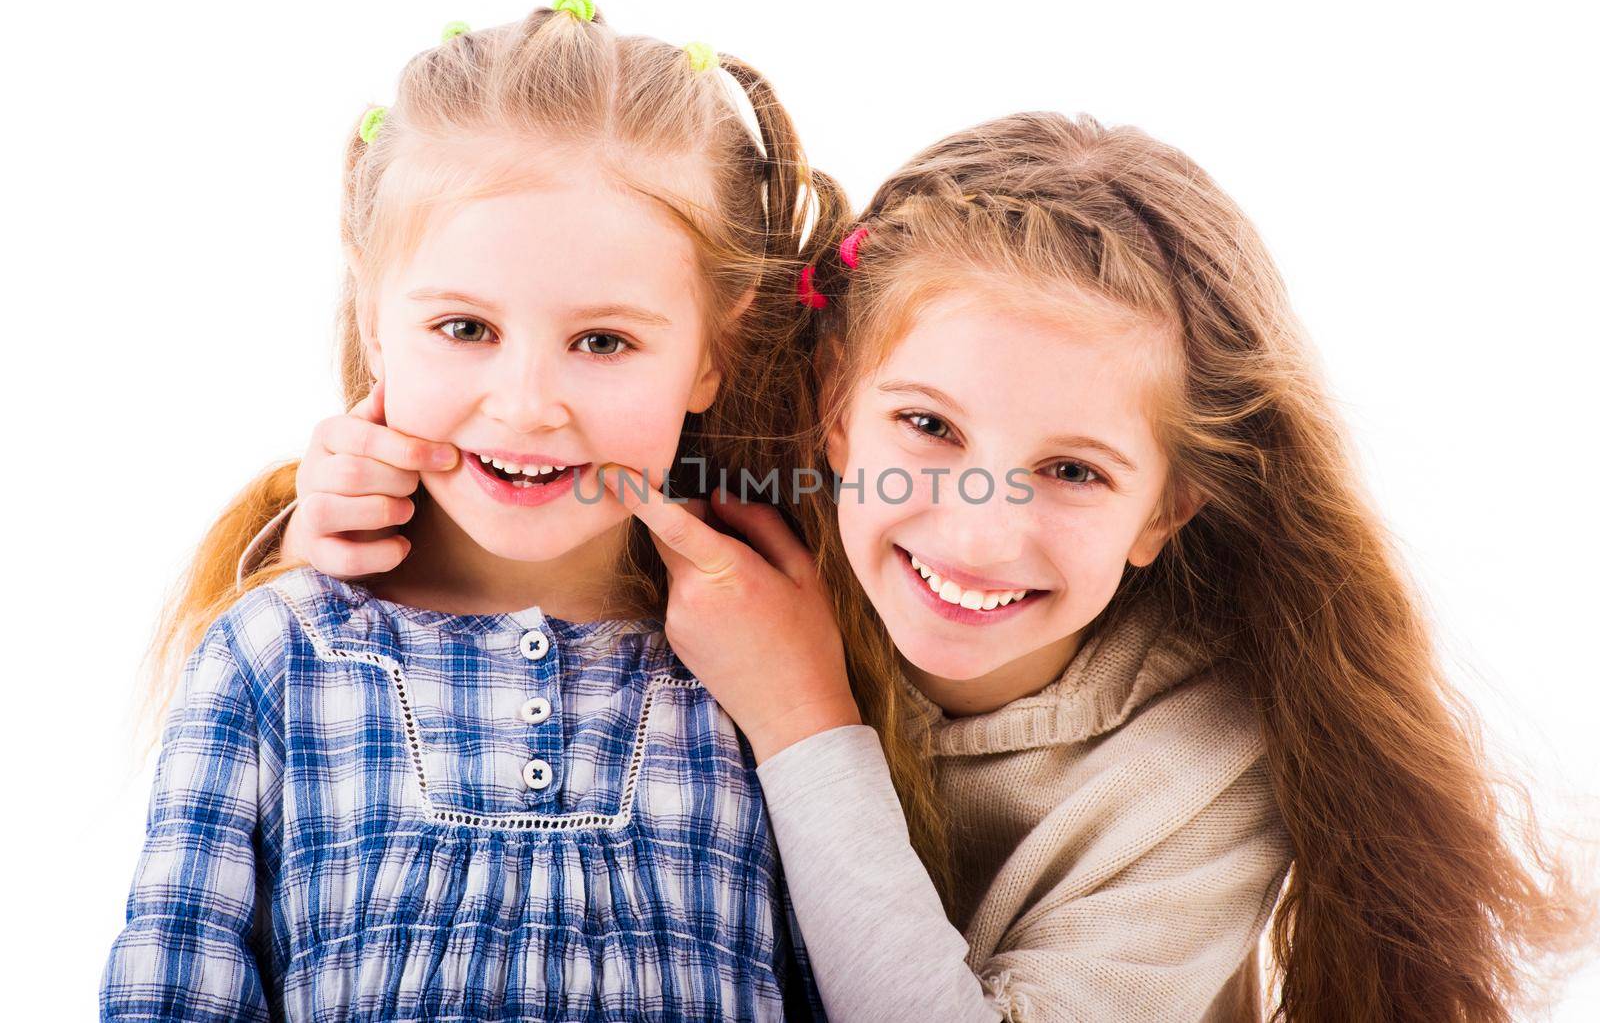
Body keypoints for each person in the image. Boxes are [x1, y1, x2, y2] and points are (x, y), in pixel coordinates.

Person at [250, 113, 1600, 1021]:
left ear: (1168, 507)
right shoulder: (728, 558)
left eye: (1073, 472)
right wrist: (364, 531)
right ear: (838, 412)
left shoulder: (1202, 768)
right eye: (927, 428)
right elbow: (536, 413)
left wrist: (801, 716)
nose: (971, 528)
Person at [101, 0, 848, 1022]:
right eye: (463, 327)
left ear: (714, 349)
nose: (529, 404)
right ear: (374, 314)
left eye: (604, 341)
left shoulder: (769, 665)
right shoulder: (273, 657)